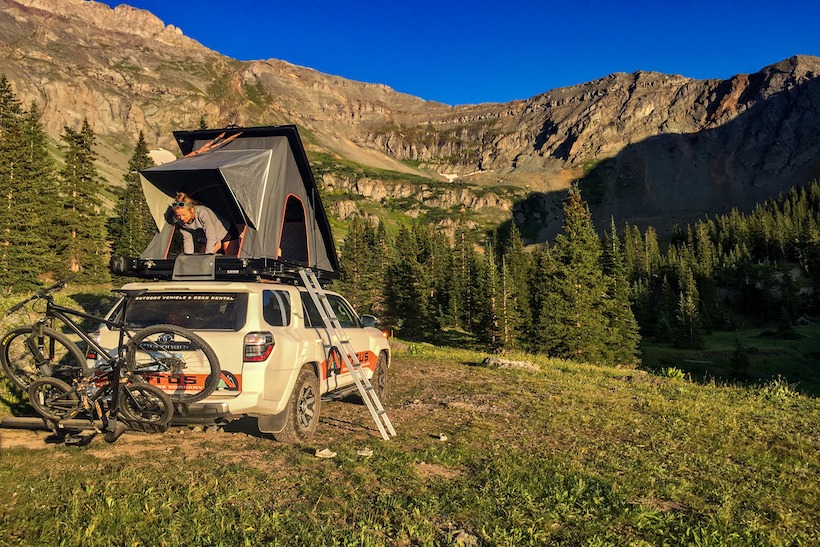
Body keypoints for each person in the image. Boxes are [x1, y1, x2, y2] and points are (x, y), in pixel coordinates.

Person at [171, 192, 240, 255]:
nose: (181, 218)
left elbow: (211, 235)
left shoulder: (202, 213)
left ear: (191, 210)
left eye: (184, 215)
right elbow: (187, 238)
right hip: (209, 239)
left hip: (225, 232)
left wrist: (208, 255)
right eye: (178, 215)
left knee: (229, 259)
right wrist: (188, 257)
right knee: (200, 260)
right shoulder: (179, 221)